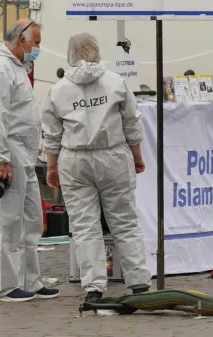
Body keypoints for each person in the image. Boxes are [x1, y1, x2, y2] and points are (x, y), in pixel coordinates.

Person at [41, 33, 152, 302]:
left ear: (70, 54)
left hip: (74, 160)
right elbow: (131, 123)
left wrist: (52, 167)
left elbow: (51, 134)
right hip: (112, 155)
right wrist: (137, 155)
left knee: (84, 226)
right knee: (124, 221)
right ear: (97, 50)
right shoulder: (115, 82)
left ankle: (93, 287)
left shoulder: (58, 90)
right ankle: (138, 282)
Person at [0, 19, 59, 302]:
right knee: (9, 222)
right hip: (8, 156)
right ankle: (3, 286)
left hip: (20, 155)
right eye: (35, 43)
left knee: (31, 220)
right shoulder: (0, 68)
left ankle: (29, 280)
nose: (37, 49)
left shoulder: (16, 67)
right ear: (21, 40)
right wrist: (1, 158)